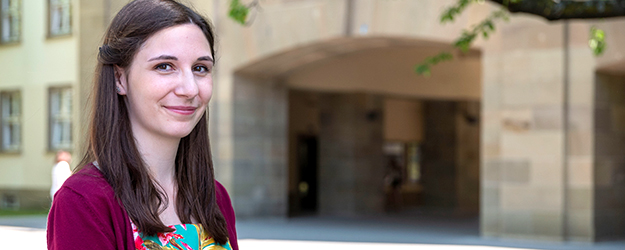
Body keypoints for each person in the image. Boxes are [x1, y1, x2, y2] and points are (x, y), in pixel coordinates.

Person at [46, 1, 238, 249]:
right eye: (164, 66)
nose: (190, 89)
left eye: (200, 68)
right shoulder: (84, 201)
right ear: (119, 79)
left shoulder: (215, 196)